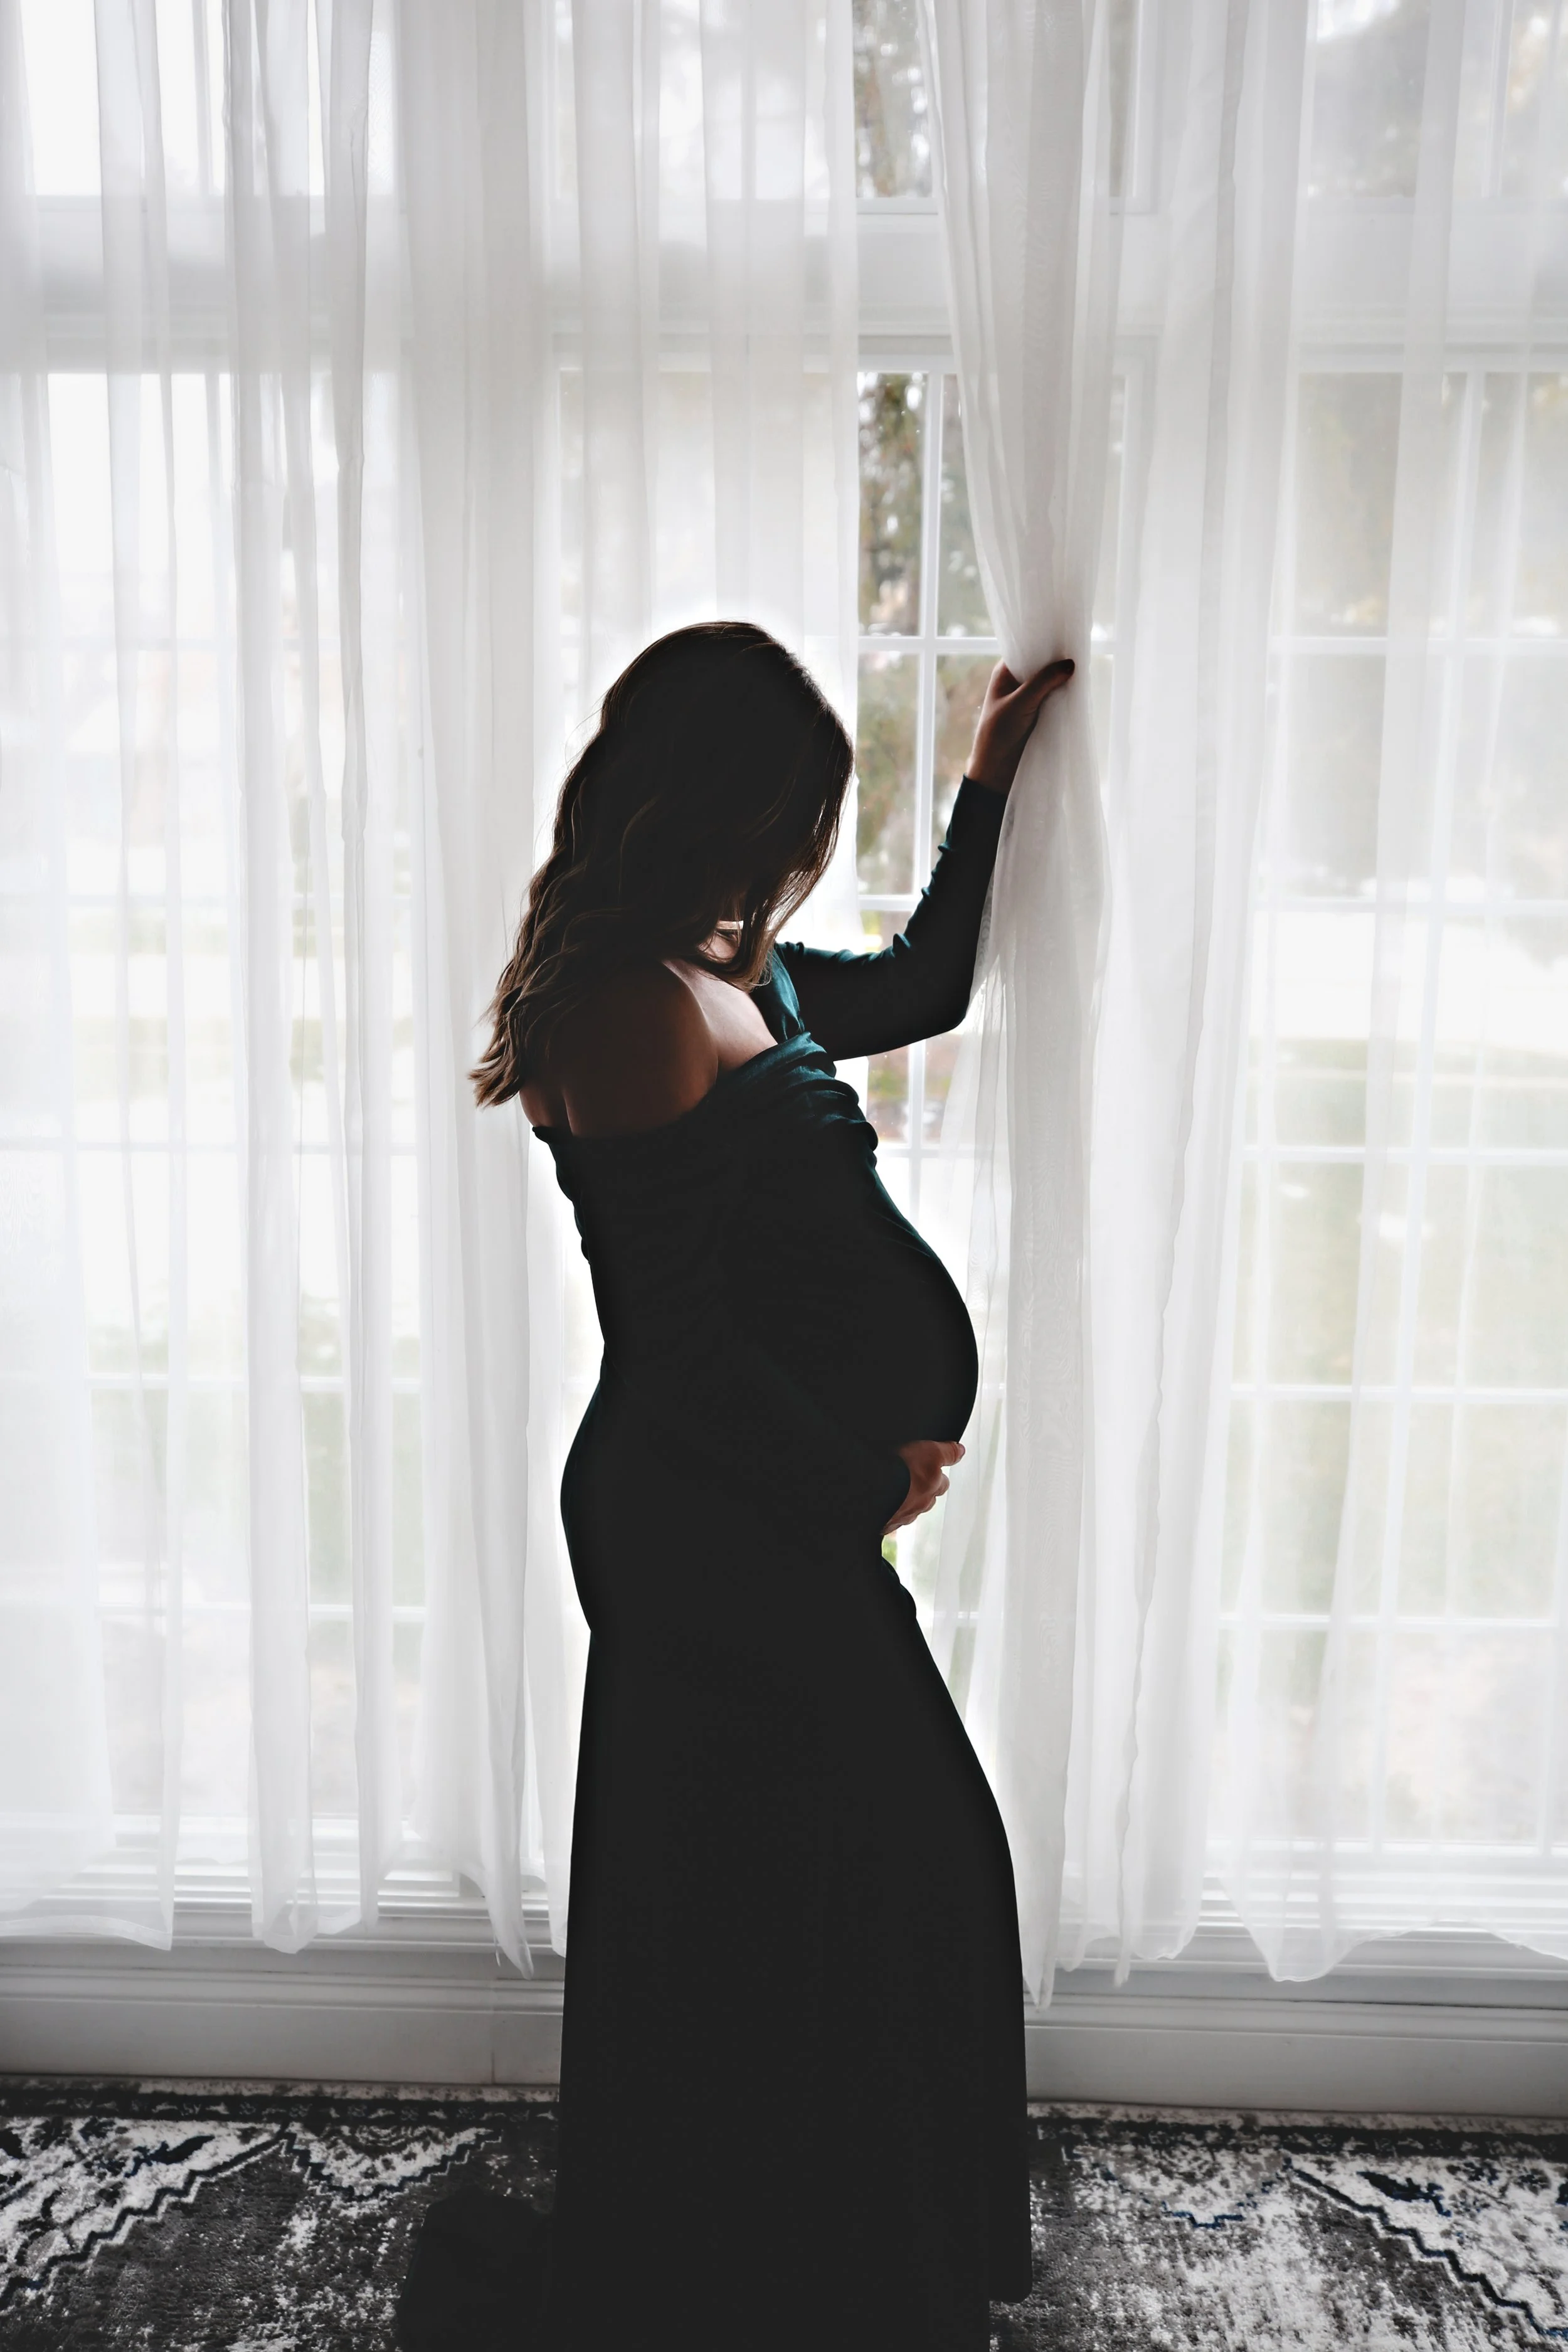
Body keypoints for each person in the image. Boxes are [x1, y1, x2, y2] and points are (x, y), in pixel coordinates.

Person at [400, 621, 1072, 2352]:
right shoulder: (621, 1008)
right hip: (707, 1516)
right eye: (793, 815)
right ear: (710, 803)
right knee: (828, 1875)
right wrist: (859, 1470)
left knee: (846, 1878)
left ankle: (823, 2264)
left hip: (768, 1503)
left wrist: (987, 780)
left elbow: (921, 986)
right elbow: (683, 1351)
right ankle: (781, 2277)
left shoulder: (737, 966)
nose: (802, 854)